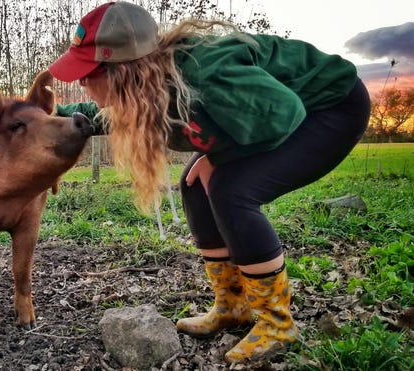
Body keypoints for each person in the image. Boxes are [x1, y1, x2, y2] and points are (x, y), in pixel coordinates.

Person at [48, 1, 370, 364]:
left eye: (89, 71)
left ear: (123, 70)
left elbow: (285, 114)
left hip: (332, 108)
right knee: (193, 183)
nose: (80, 81)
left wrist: (220, 160)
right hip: (292, 114)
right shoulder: (148, 84)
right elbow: (112, 115)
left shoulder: (207, 75)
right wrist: (56, 118)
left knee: (231, 190)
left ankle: (277, 322)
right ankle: (233, 305)